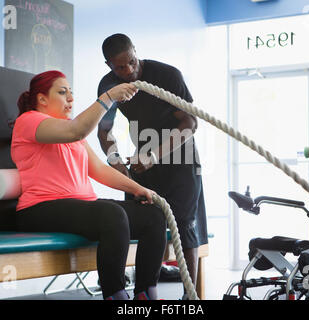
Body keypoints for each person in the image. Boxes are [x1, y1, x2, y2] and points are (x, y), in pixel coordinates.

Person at [11, 70, 167, 300]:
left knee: (153, 215)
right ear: (42, 99)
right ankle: (116, 296)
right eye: (62, 92)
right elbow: (77, 130)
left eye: (71, 93)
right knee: (111, 214)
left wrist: (137, 189)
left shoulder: (68, 129)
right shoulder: (28, 121)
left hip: (80, 208)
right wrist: (109, 97)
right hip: (39, 208)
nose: (70, 99)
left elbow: (99, 169)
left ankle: (146, 295)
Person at [97, 34, 208, 299]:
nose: (129, 71)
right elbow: (104, 130)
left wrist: (155, 155)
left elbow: (190, 124)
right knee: (139, 220)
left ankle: (188, 294)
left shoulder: (168, 76)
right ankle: (143, 290)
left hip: (180, 157)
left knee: (184, 224)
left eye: (132, 62)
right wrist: (115, 161)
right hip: (142, 159)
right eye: (120, 67)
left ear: (136, 51)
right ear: (109, 65)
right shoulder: (109, 85)